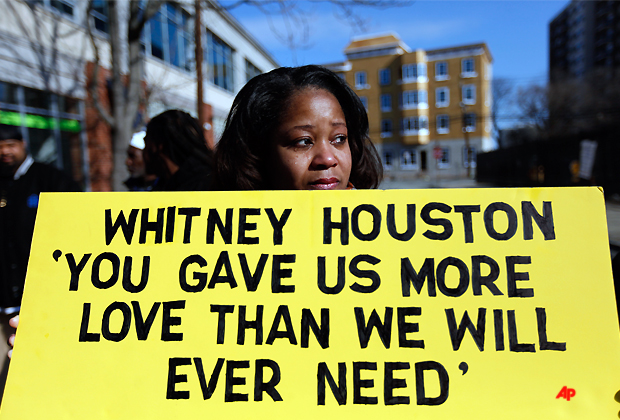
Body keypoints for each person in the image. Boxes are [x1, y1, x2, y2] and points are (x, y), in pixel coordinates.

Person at [0, 124, 80, 396]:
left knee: (44, 381)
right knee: (6, 384)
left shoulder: (52, 180)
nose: (4, 152)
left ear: (23, 144)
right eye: (0, 147)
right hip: (5, 302)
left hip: (42, 302)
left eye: (10, 145)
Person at [215, 65, 382, 190]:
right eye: (303, 141)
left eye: (339, 139)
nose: (327, 159)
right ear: (256, 154)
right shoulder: (219, 235)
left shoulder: (384, 231)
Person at [143, 110, 214, 191]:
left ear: (158, 146)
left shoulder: (206, 186)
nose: (143, 153)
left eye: (146, 143)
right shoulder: (163, 189)